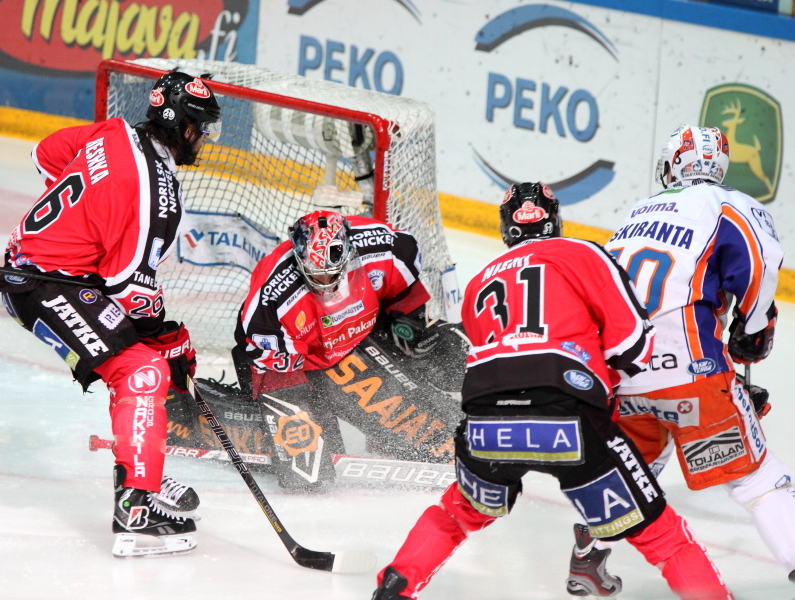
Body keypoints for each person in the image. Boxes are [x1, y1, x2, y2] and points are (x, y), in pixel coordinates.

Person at [371, 182, 733, 600]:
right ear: (555, 219)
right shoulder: (583, 252)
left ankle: (393, 590)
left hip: (485, 422)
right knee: (663, 538)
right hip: (567, 416)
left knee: (456, 513)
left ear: (507, 229)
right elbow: (631, 345)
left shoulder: (477, 285)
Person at [0, 70, 222, 557]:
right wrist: (166, 336)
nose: (203, 138)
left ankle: (143, 472)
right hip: (45, 284)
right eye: (202, 128)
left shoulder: (114, 130)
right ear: (183, 129)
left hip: (48, 270)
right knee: (142, 368)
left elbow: (45, 154)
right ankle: (136, 508)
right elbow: (132, 289)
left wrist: (84, 226)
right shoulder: (156, 197)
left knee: (139, 362)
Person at [566, 124, 795, 594]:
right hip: (691, 374)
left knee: (635, 472)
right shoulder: (731, 204)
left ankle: (586, 560)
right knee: (757, 480)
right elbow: (759, 263)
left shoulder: (634, 214)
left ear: (673, 164)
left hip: (620, 377)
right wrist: (751, 333)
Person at [232, 209, 463, 490]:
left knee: (451, 357)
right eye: (316, 276)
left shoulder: (387, 249)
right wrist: (307, 417)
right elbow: (270, 367)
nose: (325, 284)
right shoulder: (271, 301)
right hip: (300, 364)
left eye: (332, 276)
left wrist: (410, 330)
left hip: (357, 339)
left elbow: (404, 293)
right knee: (308, 474)